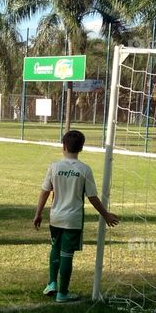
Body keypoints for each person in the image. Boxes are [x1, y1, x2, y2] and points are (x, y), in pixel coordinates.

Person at [33, 130, 119, 303]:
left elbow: (44, 192)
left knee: (55, 248)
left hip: (55, 217)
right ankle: (62, 293)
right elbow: (92, 197)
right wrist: (106, 214)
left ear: (63, 147)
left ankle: (52, 284)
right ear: (81, 148)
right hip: (72, 219)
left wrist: (38, 213)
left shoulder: (54, 166)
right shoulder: (84, 169)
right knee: (66, 254)